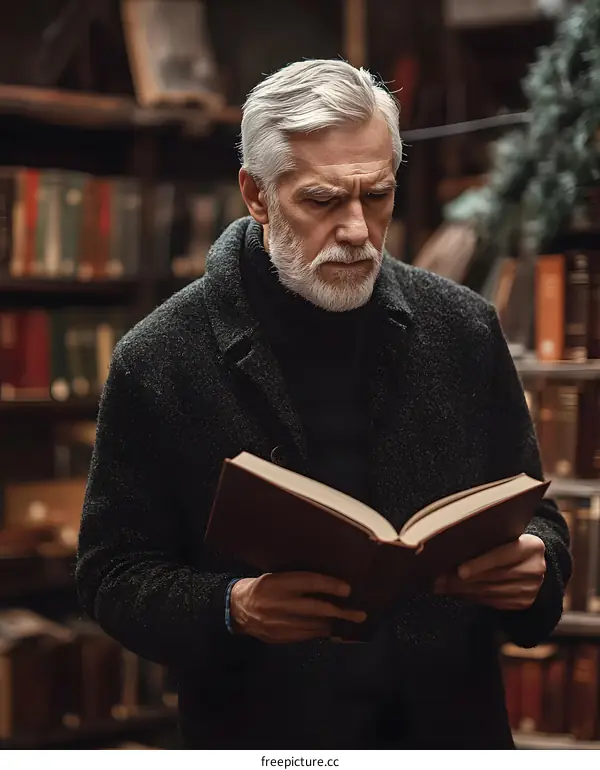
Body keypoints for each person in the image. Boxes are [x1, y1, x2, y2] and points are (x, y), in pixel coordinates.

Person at [75, 59, 571, 750]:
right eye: (323, 200)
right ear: (255, 194)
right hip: (266, 737)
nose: (358, 230)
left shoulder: (462, 327)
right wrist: (231, 607)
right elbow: (111, 575)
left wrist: (536, 564)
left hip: (449, 732)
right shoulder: (159, 357)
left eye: (378, 196)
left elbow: (537, 514)